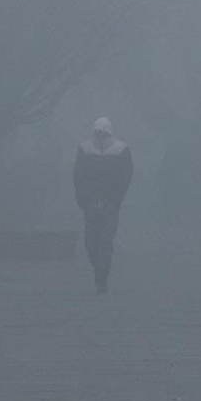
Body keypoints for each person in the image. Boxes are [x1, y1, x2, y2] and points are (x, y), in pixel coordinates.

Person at [74, 117, 133, 293]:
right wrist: (83, 201)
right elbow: (78, 177)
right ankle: (99, 270)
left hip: (111, 204)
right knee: (90, 244)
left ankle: (102, 279)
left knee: (106, 242)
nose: (100, 138)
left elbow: (125, 178)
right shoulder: (84, 149)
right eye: (98, 134)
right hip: (90, 204)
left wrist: (116, 200)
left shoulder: (121, 150)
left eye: (103, 134)